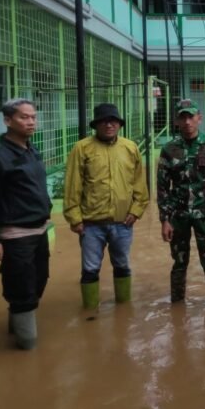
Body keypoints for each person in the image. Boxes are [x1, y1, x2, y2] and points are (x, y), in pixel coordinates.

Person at [0, 98, 51, 350]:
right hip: (15, 234)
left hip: (38, 231)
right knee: (23, 288)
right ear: (7, 121)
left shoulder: (31, 150)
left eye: (33, 117)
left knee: (39, 279)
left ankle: (16, 323)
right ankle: (27, 346)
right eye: (24, 117)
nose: (31, 122)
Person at [64, 103, 149, 310]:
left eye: (113, 121)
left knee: (122, 265)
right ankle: (91, 312)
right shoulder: (82, 148)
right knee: (90, 269)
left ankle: (123, 308)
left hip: (123, 223)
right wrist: (74, 218)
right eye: (104, 121)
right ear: (96, 125)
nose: (109, 124)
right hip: (91, 224)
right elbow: (73, 185)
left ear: (119, 124)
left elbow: (139, 183)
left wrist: (136, 211)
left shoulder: (130, 148)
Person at [157, 99, 205, 304]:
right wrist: (164, 220)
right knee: (179, 262)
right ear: (176, 121)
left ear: (199, 118)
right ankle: (177, 308)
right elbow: (162, 187)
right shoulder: (169, 149)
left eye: (191, 116)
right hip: (178, 215)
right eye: (182, 117)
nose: (187, 122)